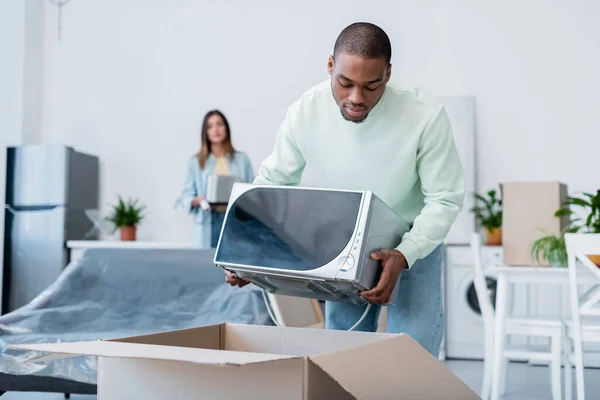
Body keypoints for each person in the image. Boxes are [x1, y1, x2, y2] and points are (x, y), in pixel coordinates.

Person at [225, 22, 465, 358]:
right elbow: (273, 183)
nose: (356, 98)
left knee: (412, 357)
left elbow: (444, 197)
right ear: (330, 67)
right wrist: (246, 253)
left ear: (388, 73)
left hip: (413, 245)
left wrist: (405, 253)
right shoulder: (304, 111)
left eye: (371, 86)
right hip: (343, 244)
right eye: (345, 83)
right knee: (342, 355)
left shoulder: (425, 114)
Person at [178, 110, 254, 248]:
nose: (215, 129)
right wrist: (197, 200)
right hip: (209, 221)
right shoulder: (196, 162)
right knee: (206, 265)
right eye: (210, 126)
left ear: (226, 128)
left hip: (233, 220)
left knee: (233, 265)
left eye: (219, 124)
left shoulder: (242, 160)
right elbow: (185, 197)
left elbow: (252, 194)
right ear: (205, 132)